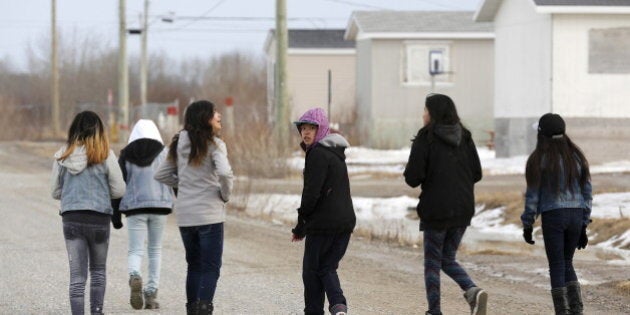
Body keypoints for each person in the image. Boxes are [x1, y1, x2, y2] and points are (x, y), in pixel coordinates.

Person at [403, 94, 487, 315]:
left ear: (433, 113)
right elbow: (477, 173)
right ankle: (472, 290)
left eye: (425, 110)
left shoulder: (426, 137)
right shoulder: (465, 136)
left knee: (433, 263)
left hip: (436, 210)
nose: (423, 115)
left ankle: (435, 311)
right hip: (463, 209)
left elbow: (413, 177)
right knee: (447, 258)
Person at [154, 100, 233, 315]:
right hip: (210, 215)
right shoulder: (214, 144)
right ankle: (204, 309)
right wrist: (224, 194)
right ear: (205, 118)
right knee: (210, 268)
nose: (219, 115)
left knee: (194, 266)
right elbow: (225, 173)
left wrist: (185, 186)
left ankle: (192, 309)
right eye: (214, 112)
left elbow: (160, 174)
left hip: (186, 216)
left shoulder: (178, 143)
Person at [51, 111, 126, 315]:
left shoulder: (62, 155)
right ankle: (96, 311)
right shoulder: (106, 154)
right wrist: (102, 193)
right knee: (98, 271)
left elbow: (55, 192)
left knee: (77, 277)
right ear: (99, 130)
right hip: (99, 219)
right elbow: (119, 189)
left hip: (72, 219)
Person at [520, 113, 592, 315]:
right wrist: (584, 224)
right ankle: (576, 310)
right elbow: (587, 191)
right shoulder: (576, 156)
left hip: (553, 216)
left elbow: (532, 196)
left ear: (542, 134)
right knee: (567, 262)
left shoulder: (538, 159)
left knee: (557, 265)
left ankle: (562, 311)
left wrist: (527, 224)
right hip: (576, 215)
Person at [291, 107, 356, 315]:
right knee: (327, 268)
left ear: (322, 129)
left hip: (324, 225)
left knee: (311, 273)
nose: (306, 133)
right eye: (303, 129)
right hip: (344, 224)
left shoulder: (318, 154)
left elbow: (311, 194)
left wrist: (301, 225)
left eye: (312, 128)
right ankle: (339, 307)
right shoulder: (334, 153)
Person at [111, 119, 174, 310]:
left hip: (134, 208)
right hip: (160, 207)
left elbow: (118, 186)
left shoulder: (126, 154)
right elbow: (175, 179)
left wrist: (115, 215)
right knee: (155, 250)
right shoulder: (165, 153)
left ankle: (134, 275)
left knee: (135, 249)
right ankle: (151, 294)